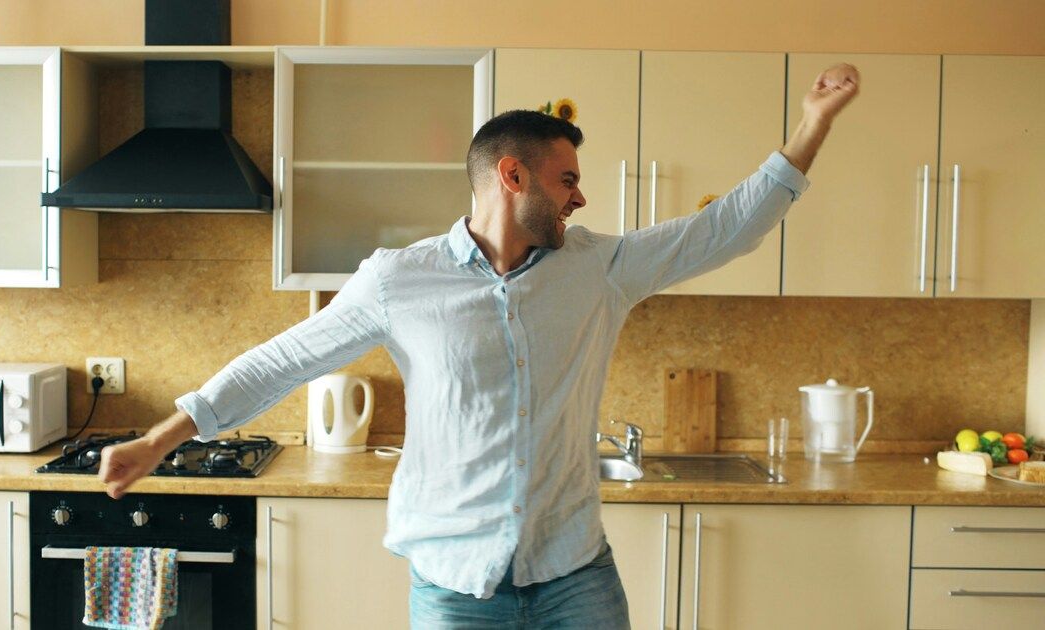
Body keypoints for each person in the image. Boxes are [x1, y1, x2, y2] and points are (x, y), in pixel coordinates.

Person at [99, 63, 861, 628]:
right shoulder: (400, 280)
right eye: (567, 178)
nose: (580, 196)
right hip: (455, 587)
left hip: (574, 578)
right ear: (511, 175)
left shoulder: (600, 268)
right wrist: (161, 439)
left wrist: (813, 123)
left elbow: (727, 226)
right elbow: (283, 360)